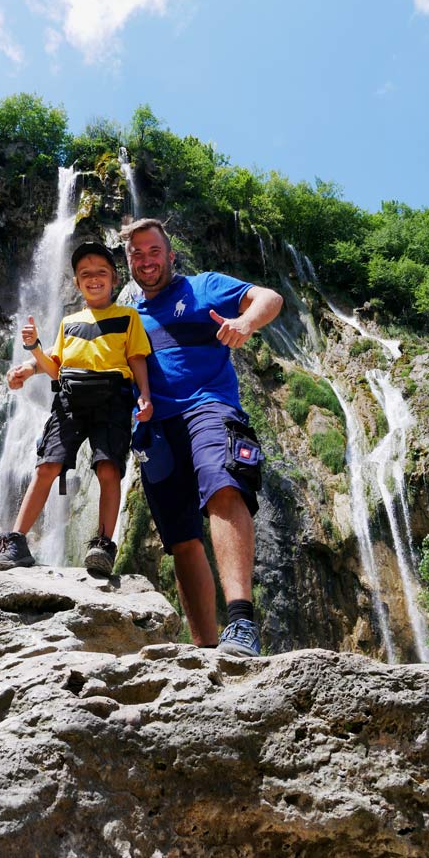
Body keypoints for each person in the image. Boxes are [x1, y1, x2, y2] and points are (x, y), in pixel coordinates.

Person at [120, 217, 283, 657]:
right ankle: (207, 648)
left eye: (154, 251)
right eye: (137, 254)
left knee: (223, 485)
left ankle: (242, 623)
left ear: (170, 256)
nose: (147, 260)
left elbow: (269, 297)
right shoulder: (127, 315)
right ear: (129, 262)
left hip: (208, 406)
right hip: (154, 430)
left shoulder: (204, 287)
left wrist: (246, 322)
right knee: (179, 538)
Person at [0, 240, 153, 576]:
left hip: (113, 398)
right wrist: (32, 352)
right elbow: (56, 366)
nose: (94, 278)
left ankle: (103, 544)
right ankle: (16, 541)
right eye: (85, 274)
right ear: (77, 282)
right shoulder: (69, 321)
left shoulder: (127, 316)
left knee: (108, 469)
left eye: (101, 273)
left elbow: (136, 358)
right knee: (47, 466)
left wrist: (144, 395)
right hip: (69, 400)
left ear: (115, 279)